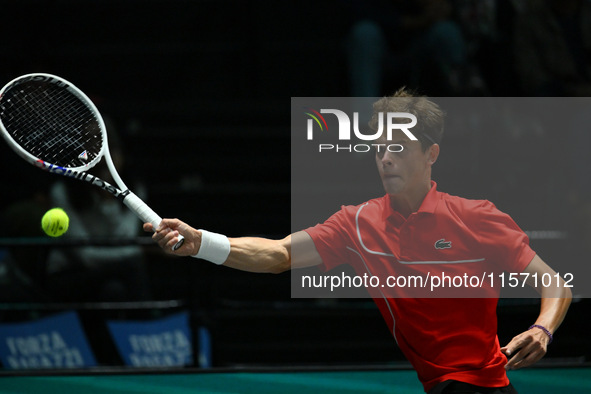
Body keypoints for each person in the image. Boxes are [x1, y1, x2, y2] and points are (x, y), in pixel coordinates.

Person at [144, 90, 572, 394]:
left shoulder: (476, 217)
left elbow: (556, 283)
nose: (386, 157)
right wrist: (200, 243)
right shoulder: (358, 223)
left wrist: (542, 329)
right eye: (379, 146)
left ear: (431, 154)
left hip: (477, 386)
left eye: (399, 147)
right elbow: (278, 255)